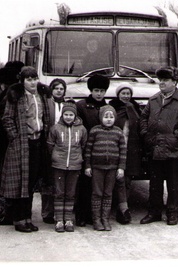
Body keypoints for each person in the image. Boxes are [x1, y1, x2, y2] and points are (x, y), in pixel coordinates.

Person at [140, 66, 178, 226]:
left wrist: (177, 136)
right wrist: (146, 134)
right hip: (155, 147)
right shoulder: (154, 99)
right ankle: (154, 212)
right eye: (160, 80)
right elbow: (143, 117)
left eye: (165, 80)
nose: (161, 83)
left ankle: (173, 213)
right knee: (155, 183)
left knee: (174, 184)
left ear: (174, 82)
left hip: (174, 149)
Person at [0, 66, 51, 233]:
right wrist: (15, 137)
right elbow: (7, 119)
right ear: (22, 81)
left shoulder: (41, 96)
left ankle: (27, 217)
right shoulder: (16, 96)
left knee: (31, 183)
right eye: (28, 79)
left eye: (35, 78)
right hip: (22, 143)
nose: (32, 82)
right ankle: (18, 219)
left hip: (37, 142)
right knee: (20, 182)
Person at [0, 65, 21, 226]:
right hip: (0, 139)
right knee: (2, 174)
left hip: (10, 138)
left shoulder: (12, 90)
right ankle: (1, 207)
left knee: (11, 175)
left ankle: (9, 208)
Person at [47, 101, 88, 232]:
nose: (68, 117)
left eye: (71, 114)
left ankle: (68, 219)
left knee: (70, 193)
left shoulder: (81, 129)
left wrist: (78, 158)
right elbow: (50, 145)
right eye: (66, 114)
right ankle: (59, 219)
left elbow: (83, 145)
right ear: (62, 115)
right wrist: (55, 157)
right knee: (59, 192)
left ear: (75, 116)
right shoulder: (55, 128)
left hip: (75, 165)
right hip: (59, 165)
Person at [84, 105, 127, 231]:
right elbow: (88, 149)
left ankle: (105, 219)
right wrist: (87, 166)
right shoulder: (94, 131)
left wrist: (121, 168)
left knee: (108, 193)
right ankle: (96, 220)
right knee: (97, 193)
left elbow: (123, 151)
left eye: (111, 117)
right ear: (101, 117)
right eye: (106, 116)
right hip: (97, 167)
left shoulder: (118, 132)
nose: (109, 119)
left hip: (112, 168)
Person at [75, 74, 110, 227]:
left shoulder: (107, 107)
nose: (99, 94)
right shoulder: (81, 106)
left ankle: (94, 215)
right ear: (91, 90)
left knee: (98, 186)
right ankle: (81, 215)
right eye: (96, 90)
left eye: (102, 90)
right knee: (83, 184)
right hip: (86, 148)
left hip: (101, 151)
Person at [109, 82, 142, 224]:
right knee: (115, 178)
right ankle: (117, 206)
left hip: (131, 149)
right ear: (118, 95)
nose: (126, 96)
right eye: (123, 93)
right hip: (114, 148)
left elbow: (139, 124)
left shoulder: (134, 108)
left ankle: (123, 208)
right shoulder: (112, 108)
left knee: (126, 179)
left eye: (128, 93)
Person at [39, 78, 68, 225]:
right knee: (48, 181)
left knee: (61, 181)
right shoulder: (46, 103)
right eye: (56, 88)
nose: (58, 91)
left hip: (64, 146)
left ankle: (61, 213)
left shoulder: (68, 104)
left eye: (61, 88)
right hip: (48, 145)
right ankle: (47, 212)